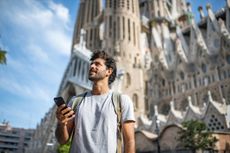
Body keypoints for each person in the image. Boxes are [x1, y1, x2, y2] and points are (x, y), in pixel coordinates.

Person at [55, 50, 135, 153]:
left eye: (97, 64)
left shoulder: (121, 101)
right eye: (91, 63)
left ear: (108, 71)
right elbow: (63, 140)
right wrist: (61, 123)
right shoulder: (76, 101)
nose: (92, 66)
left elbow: (130, 141)